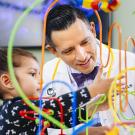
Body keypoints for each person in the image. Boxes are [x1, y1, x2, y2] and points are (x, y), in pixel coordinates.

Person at [43, 4, 135, 135]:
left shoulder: (130, 63)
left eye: (85, 42)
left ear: (92, 30)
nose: (82, 56)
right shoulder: (47, 73)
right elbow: (47, 127)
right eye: (69, 50)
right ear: (53, 51)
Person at [0, 48, 113, 134]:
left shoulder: (26, 111)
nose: (40, 79)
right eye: (33, 74)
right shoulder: (14, 109)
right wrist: (93, 90)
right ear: (7, 81)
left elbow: (62, 120)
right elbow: (57, 105)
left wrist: (94, 107)